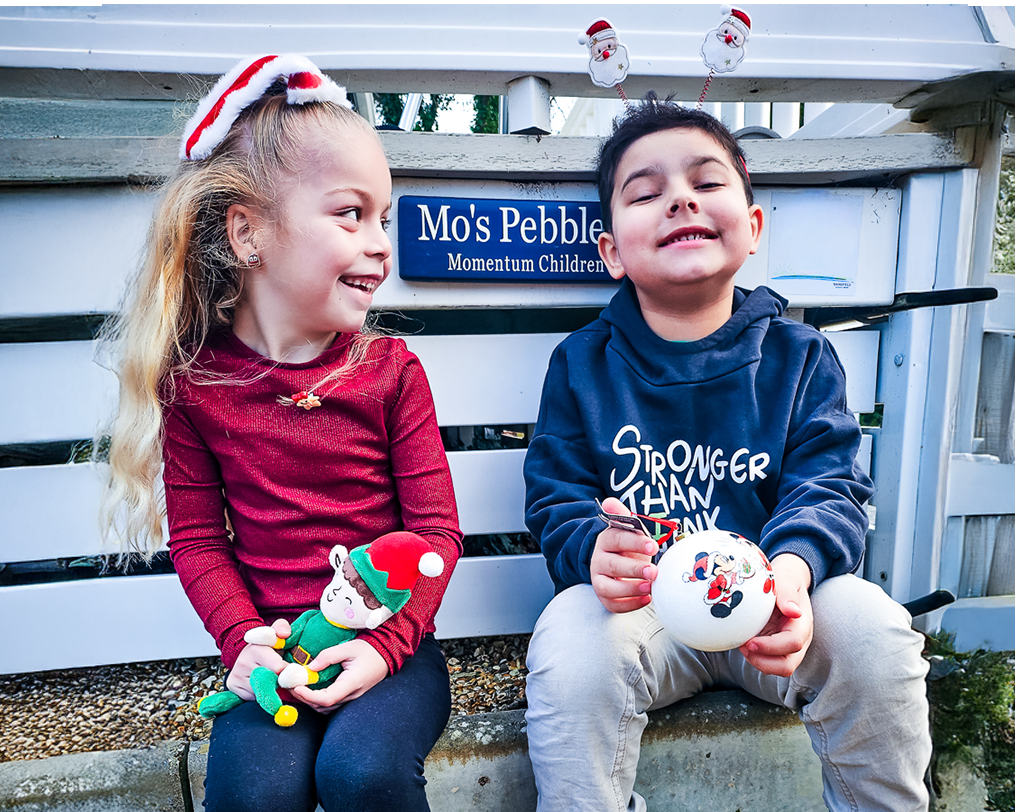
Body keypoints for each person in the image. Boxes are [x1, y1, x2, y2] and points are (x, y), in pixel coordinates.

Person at [522, 95, 932, 812]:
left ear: (750, 229)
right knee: (568, 647)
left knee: (873, 634)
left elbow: (827, 485)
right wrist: (592, 547)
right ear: (612, 251)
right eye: (646, 193)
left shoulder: (798, 356)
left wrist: (795, 576)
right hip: (639, 617)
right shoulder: (581, 364)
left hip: (777, 603)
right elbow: (557, 495)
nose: (679, 199)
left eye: (706, 183)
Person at [99, 54, 462, 812]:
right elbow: (198, 540)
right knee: (252, 793)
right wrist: (244, 645)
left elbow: (433, 534)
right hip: (276, 650)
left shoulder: (392, 372)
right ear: (249, 235)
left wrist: (382, 648)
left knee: (361, 773)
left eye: (383, 219)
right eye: (349, 214)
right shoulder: (195, 387)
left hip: (390, 653)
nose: (379, 244)